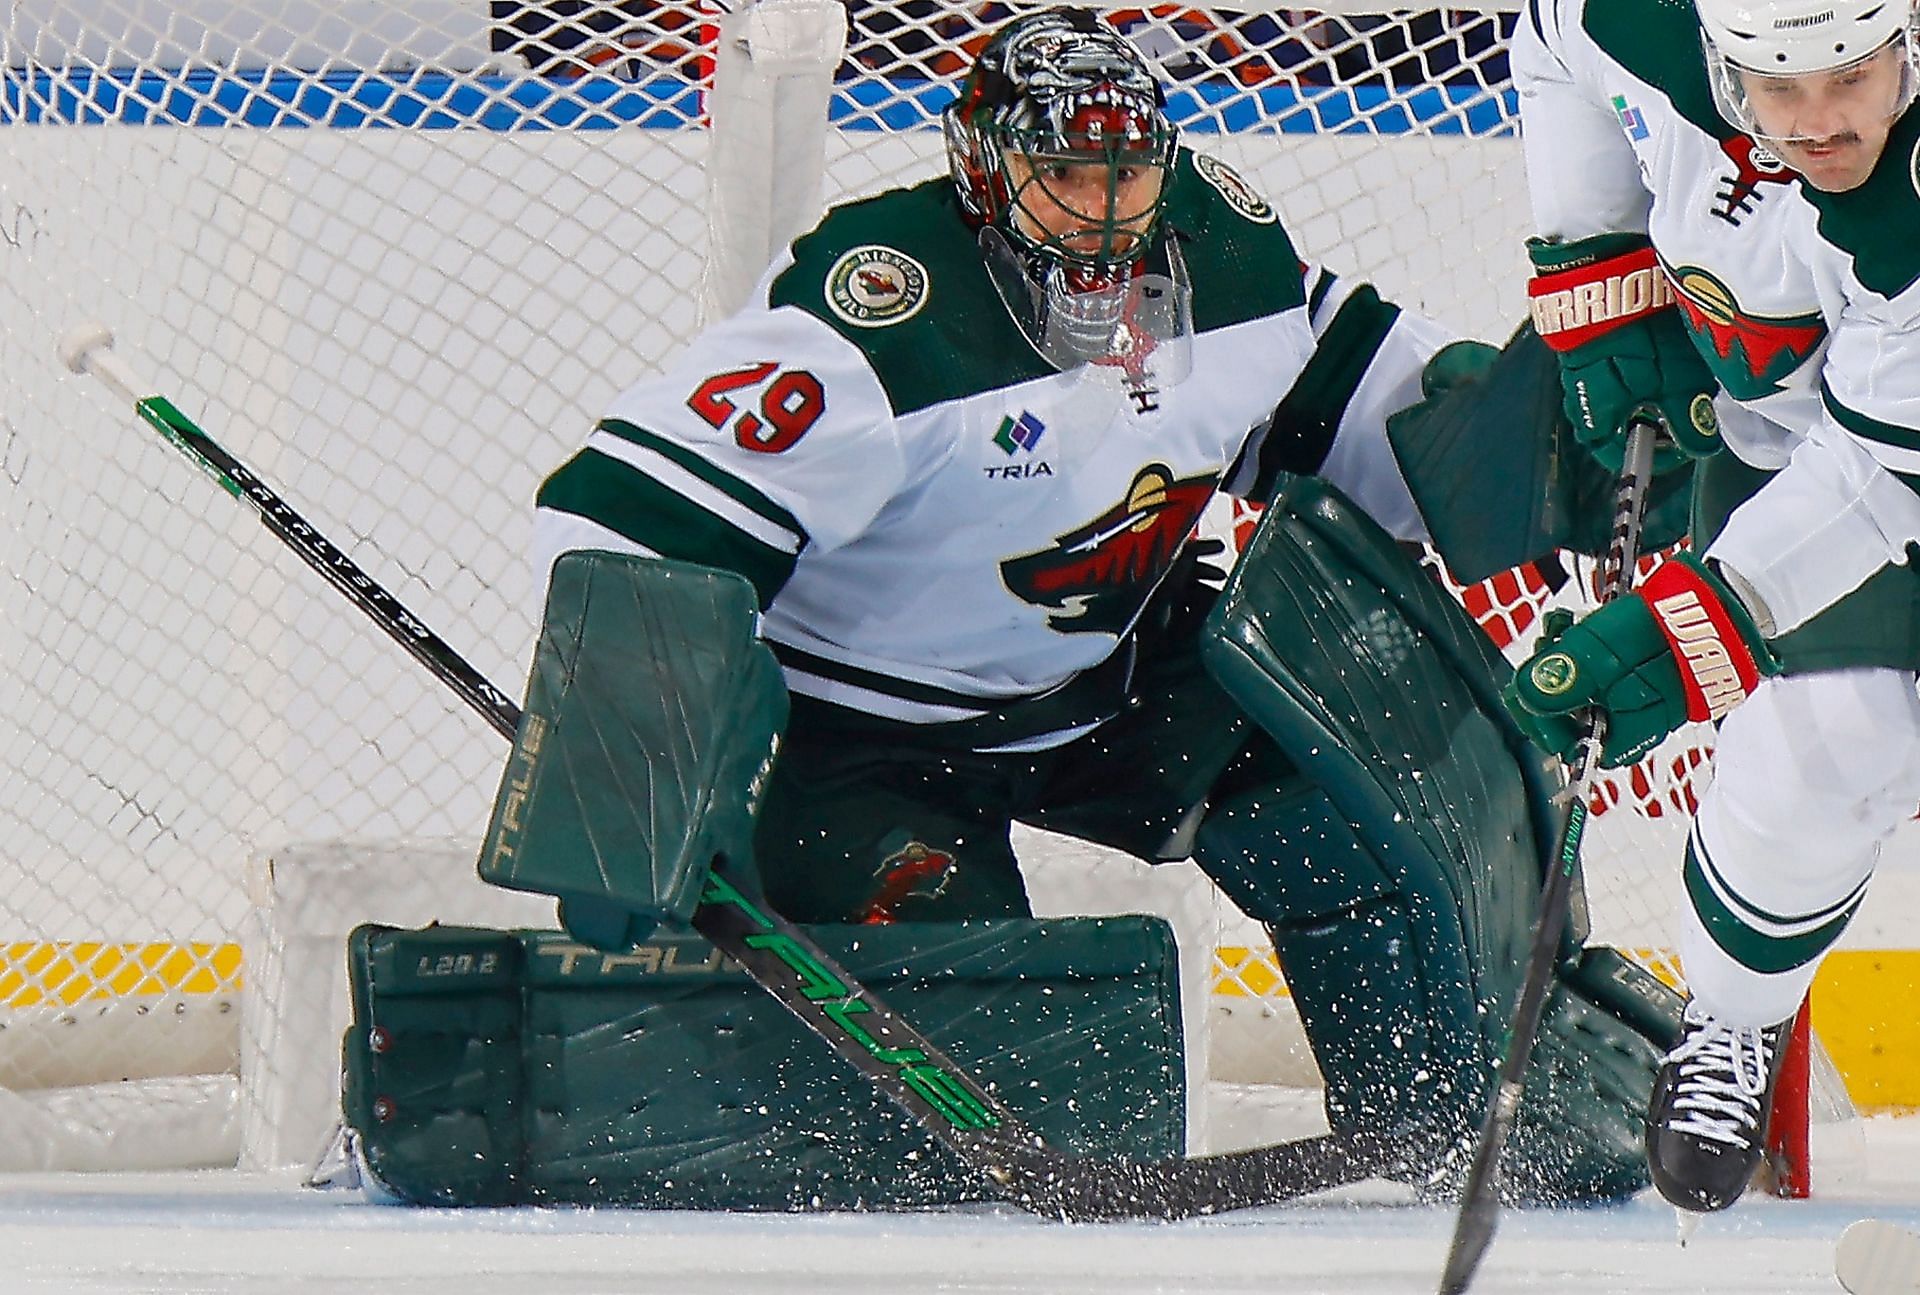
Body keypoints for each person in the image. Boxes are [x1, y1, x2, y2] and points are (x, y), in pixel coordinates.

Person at [503, 5, 1676, 1200]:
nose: (1106, 209)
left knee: (1345, 819)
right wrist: (629, 769)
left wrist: (1549, 457)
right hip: (863, 743)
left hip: (1113, 683)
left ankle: (1448, 1121)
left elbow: (1377, 416)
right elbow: (619, 515)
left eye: (1129, 174)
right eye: (1066, 174)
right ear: (985, 166)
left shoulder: (1226, 258)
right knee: (985, 1047)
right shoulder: (882, 319)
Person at [1506, 0, 1920, 1213]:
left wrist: (1700, 622)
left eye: (1849, 78)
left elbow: (1883, 477)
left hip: (1884, 452)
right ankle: (1733, 1024)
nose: (1817, 123)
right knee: (1824, 747)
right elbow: (1547, 38)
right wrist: (1594, 259)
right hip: (1810, 437)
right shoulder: (1632, 19)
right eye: (1775, 89)